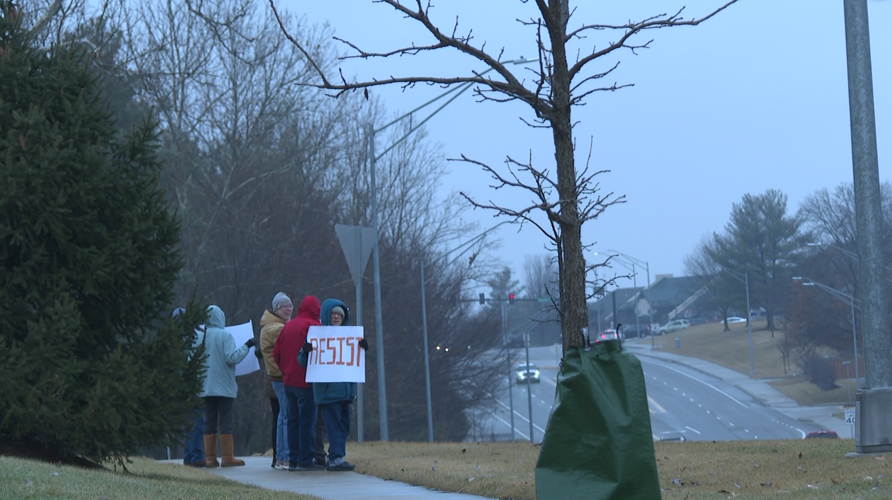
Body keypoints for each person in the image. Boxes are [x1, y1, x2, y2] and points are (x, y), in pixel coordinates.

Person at [299, 299, 368, 472]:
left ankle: (336, 456)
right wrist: (305, 352)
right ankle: (336, 457)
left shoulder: (350, 336)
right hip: (328, 391)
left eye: (339, 314)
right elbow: (302, 361)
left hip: (345, 390)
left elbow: (355, 363)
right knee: (334, 424)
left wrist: (362, 350)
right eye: (333, 314)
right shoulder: (317, 336)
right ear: (327, 316)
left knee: (344, 424)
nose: (336, 317)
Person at [197, 305, 253, 467]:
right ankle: (227, 457)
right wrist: (247, 346)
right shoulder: (225, 336)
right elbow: (232, 358)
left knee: (210, 421)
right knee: (225, 421)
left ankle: (210, 457)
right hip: (224, 387)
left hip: (206, 386)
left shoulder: (200, 337)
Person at [274, 295, 324, 471]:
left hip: (289, 382)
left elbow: (276, 352)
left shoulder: (288, 326)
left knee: (292, 421)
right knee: (307, 422)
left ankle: (293, 459)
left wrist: (285, 369)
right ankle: (305, 459)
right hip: (307, 381)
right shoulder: (314, 326)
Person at [260, 292, 293, 470]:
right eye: (285, 306)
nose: (289, 309)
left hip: (278, 377)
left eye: (290, 306)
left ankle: (281, 457)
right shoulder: (275, 328)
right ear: (276, 309)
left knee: (282, 417)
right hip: (281, 377)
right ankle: (285, 457)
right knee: (286, 417)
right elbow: (291, 333)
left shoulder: (275, 325)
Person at [174, 307, 205, 468]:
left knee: (189, 422)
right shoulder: (191, 339)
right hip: (192, 385)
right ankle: (196, 456)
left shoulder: (173, 340)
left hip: (181, 386)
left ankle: (188, 456)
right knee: (197, 420)